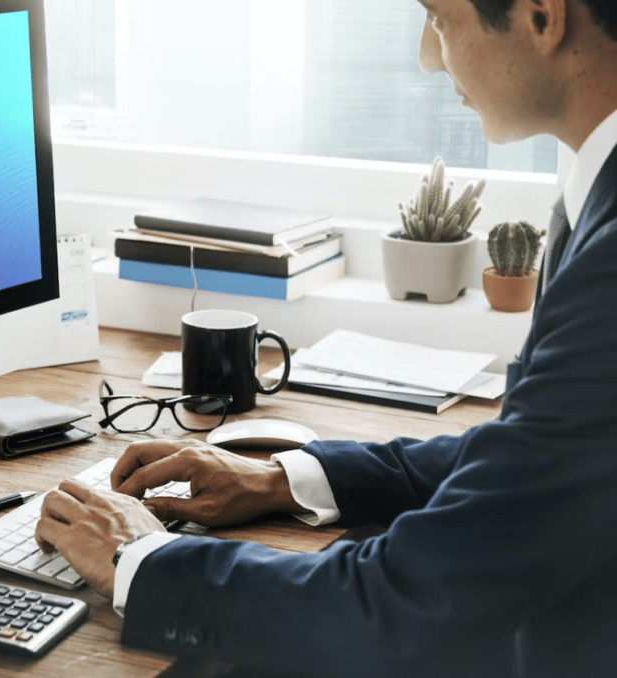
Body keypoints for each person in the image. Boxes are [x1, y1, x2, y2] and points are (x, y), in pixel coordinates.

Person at [33, 1, 617, 676]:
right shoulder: (592, 192)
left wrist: (140, 558)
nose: (429, 56)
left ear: (542, 16)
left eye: (437, 17)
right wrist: (287, 480)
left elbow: (403, 604)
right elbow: (534, 456)